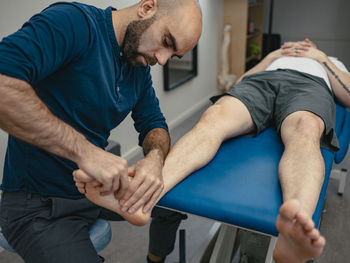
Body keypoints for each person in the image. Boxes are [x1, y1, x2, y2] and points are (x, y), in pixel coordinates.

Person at [75, 38, 350, 263]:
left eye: (306, 43)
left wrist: (321, 58)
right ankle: (140, 198)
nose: (299, 44)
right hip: (262, 83)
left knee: (305, 129)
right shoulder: (274, 59)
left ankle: (292, 234)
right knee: (213, 117)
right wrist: (273, 56)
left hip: (308, 86)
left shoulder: (327, 62)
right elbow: (240, 82)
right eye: (295, 43)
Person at [0, 0, 202, 262]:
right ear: (148, 7)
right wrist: (85, 153)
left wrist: (154, 159)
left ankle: (155, 259)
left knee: (174, 194)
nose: (162, 60)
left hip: (95, 190)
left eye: (173, 56)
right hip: (38, 204)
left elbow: (154, 123)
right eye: (166, 41)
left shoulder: (137, 66)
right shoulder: (74, 23)